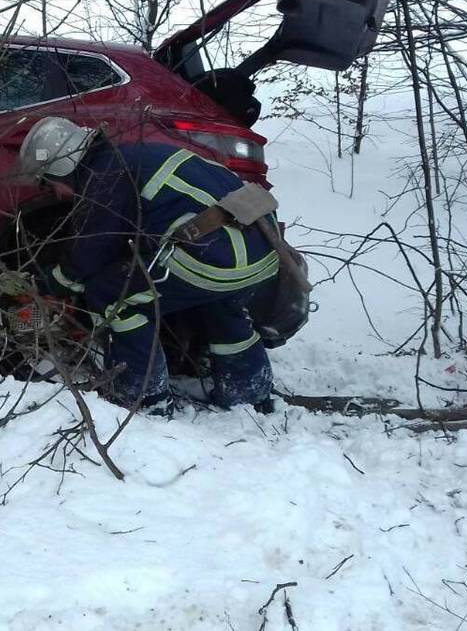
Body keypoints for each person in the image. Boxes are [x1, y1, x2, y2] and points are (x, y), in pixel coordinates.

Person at [17, 117, 280, 413]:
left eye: (49, 183)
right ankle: (249, 392)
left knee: (110, 294)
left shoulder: (106, 174)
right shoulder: (140, 154)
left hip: (213, 258)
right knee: (222, 306)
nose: (54, 193)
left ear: (62, 168)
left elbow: (94, 247)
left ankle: (144, 397)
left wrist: (56, 283)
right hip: (261, 252)